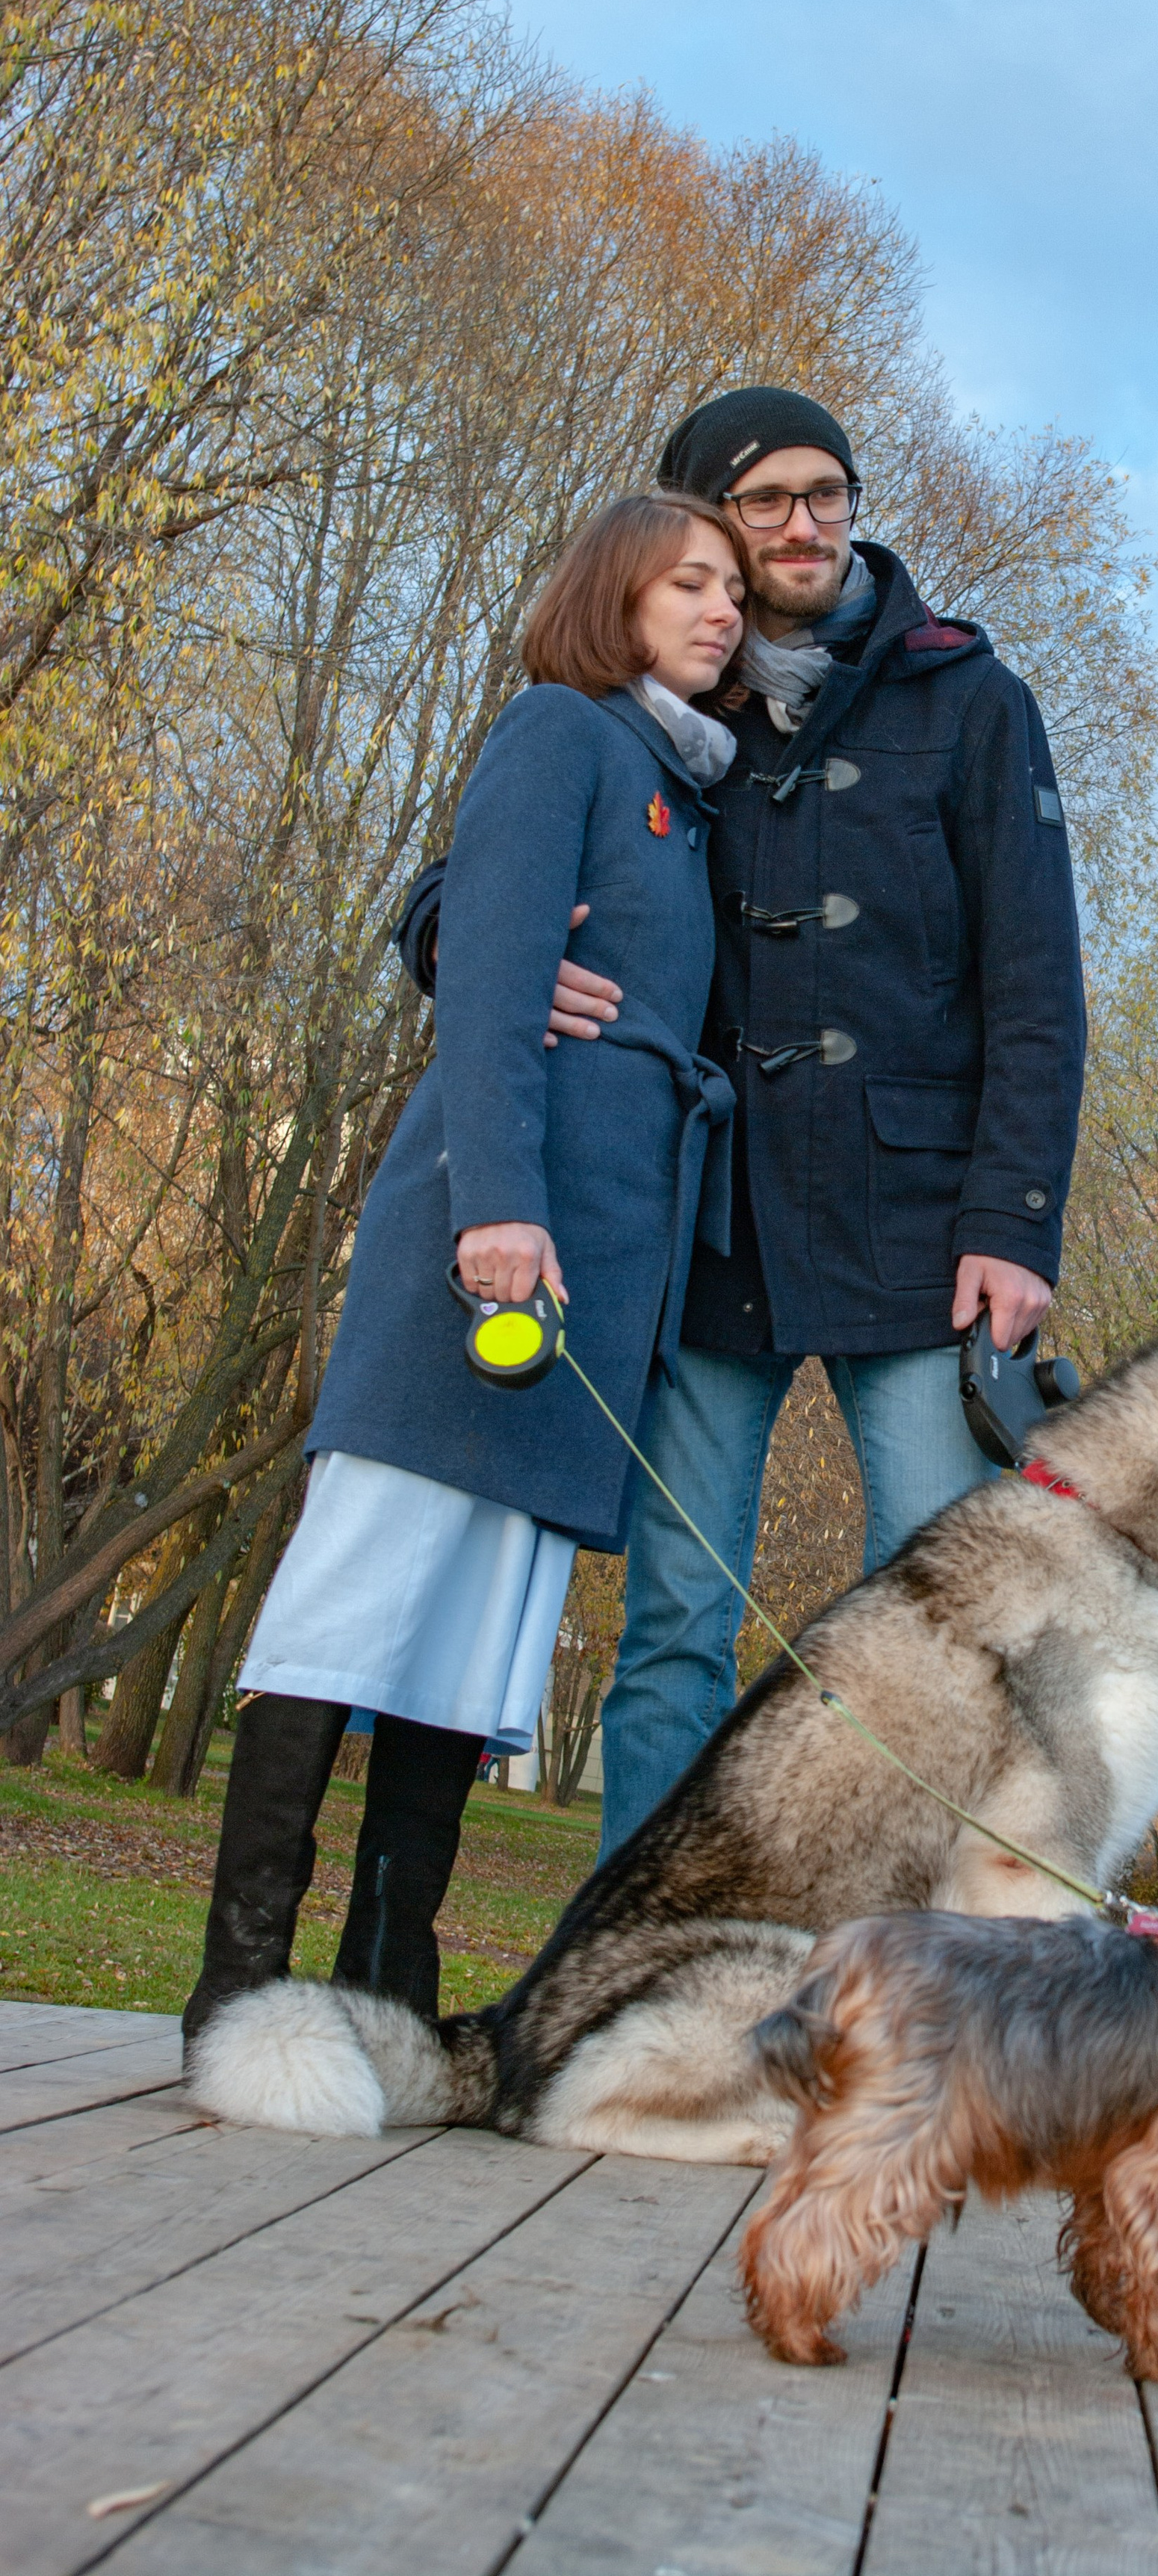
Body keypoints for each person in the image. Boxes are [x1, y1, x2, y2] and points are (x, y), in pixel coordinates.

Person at [398, 387, 1087, 1855]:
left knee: (936, 1630)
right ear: (706, 522)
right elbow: (493, 853)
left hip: (921, 1236)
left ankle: (905, 1988)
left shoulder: (971, 699)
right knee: (674, 1622)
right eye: (764, 499)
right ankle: (648, 1971)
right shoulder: (660, 695)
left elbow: (1039, 983)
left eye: (823, 492)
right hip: (706, 1225)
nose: (801, 523)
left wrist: (1014, 1224)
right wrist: (453, 931)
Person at [182, 492, 746, 2042]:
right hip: (494, 1242)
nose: (721, 608)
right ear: (611, 596)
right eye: (686, 581)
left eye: (732, 591)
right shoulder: (560, 734)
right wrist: (494, 1209)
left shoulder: (687, 791)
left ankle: (381, 1989)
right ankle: (238, 1988)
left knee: (477, 1619)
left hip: (605, 1280)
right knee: (359, 1587)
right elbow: (490, 980)